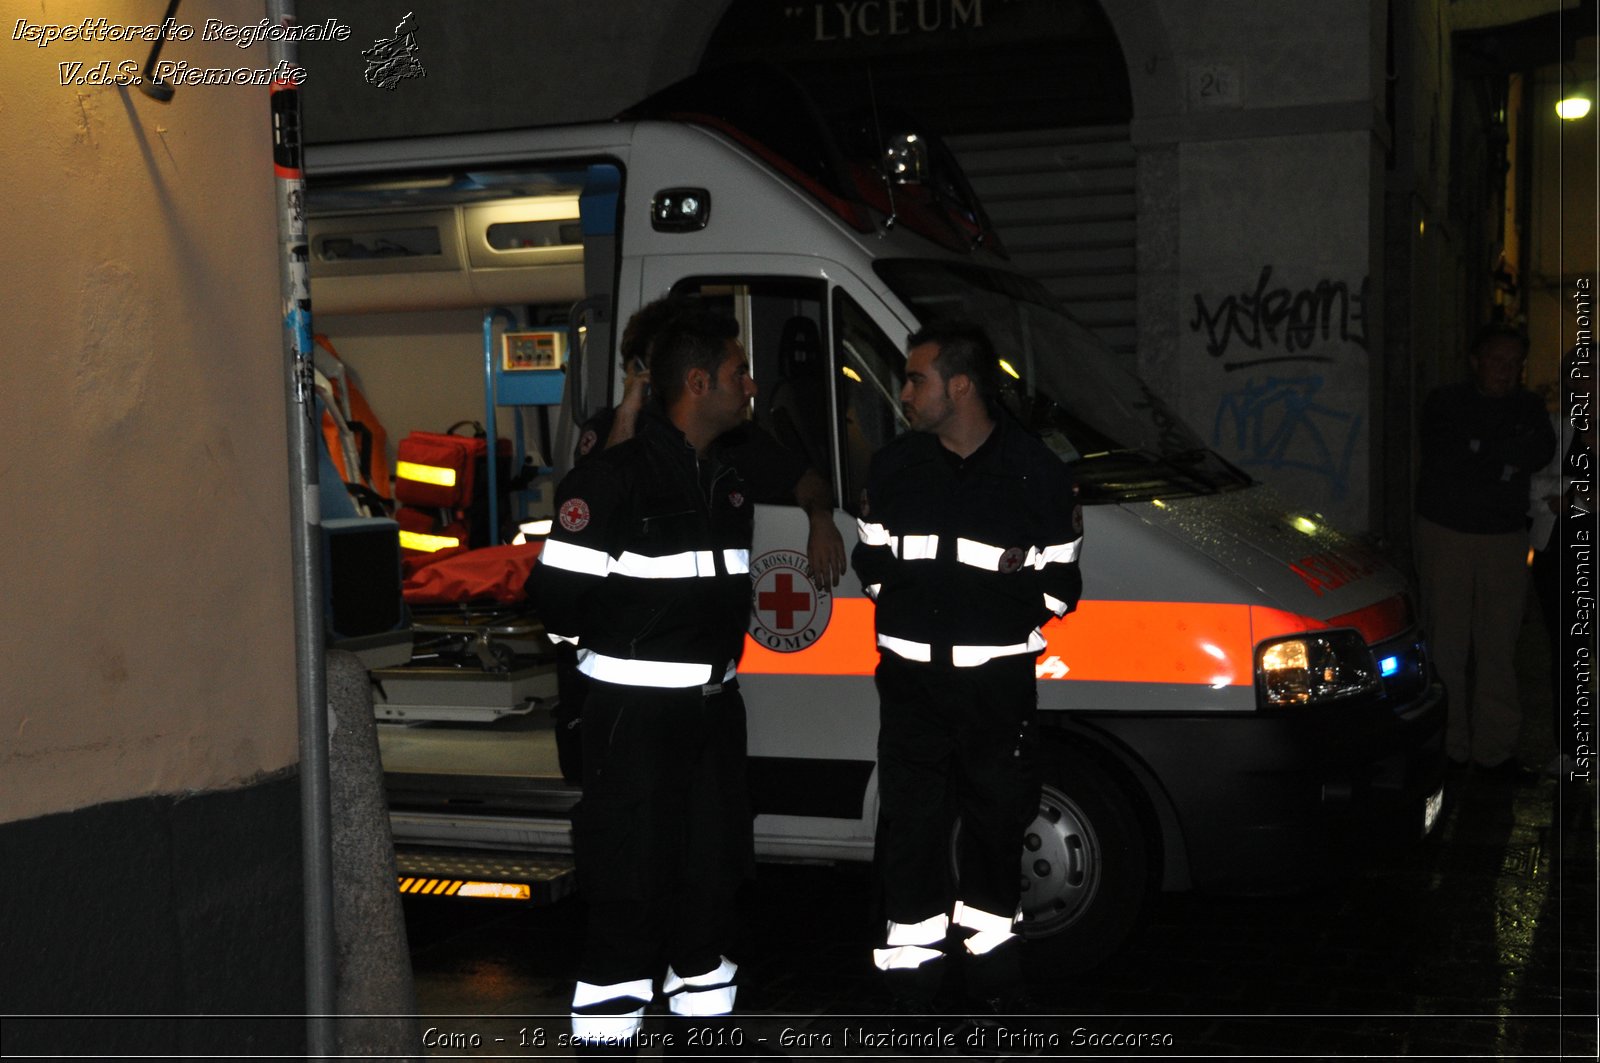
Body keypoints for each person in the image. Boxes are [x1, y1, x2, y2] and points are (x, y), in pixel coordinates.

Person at [528, 309, 815, 1054]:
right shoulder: (613, 479)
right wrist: (620, 672)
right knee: (629, 894)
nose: (751, 386)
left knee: (710, 891)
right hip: (635, 724)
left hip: (714, 717)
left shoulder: (726, 477)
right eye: (739, 372)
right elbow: (557, 605)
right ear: (697, 382)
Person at [851, 321, 1082, 1013]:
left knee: (995, 833)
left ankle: (996, 987)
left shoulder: (1035, 472)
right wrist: (920, 621)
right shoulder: (895, 469)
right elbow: (873, 565)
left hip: (995, 689)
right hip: (912, 687)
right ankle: (911, 991)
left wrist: (990, 620)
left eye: (915, 377)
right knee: (911, 837)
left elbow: (1058, 586)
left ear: (960, 384)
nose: (904, 392)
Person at [1415, 323, 1557, 780]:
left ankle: (1495, 752)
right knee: (1448, 642)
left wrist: (1484, 454)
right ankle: (1450, 747)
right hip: (1447, 533)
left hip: (1504, 536)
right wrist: (1501, 459)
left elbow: (1537, 451)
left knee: (1499, 644)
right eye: (1497, 361)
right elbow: (1449, 458)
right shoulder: (1446, 402)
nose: (1506, 371)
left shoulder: (1529, 406)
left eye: (1514, 364)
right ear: (1475, 361)